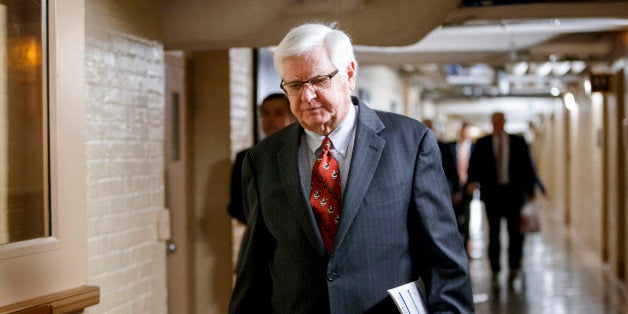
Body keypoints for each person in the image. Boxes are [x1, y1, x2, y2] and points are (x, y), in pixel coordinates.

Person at [229, 22, 473, 313]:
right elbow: (253, 268)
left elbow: (444, 263)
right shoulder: (263, 159)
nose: (307, 96)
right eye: (295, 85)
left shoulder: (409, 142)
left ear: (349, 74)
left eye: (319, 80)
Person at [467, 112, 538, 287]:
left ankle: (514, 266)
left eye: (500, 121)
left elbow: (527, 166)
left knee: (515, 233)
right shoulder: (483, 143)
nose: (497, 124)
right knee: (493, 233)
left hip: (513, 194)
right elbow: (474, 164)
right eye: (495, 121)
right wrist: (472, 182)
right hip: (492, 195)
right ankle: (496, 268)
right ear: (491, 123)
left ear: (505, 122)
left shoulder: (518, 142)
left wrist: (530, 190)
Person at [228, 93, 295, 223]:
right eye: (265, 113)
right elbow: (236, 207)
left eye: (278, 113)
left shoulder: (304, 154)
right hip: (260, 238)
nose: (271, 120)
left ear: (292, 118)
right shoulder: (246, 158)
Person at [445, 123, 473, 255]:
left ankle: (466, 247)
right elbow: (446, 170)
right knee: (453, 220)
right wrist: (452, 191)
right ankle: (455, 249)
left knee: (467, 219)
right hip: (453, 190)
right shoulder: (449, 147)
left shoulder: (473, 147)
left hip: (468, 188)